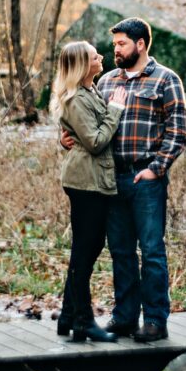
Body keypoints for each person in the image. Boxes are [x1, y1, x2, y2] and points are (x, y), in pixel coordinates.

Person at [61, 18, 186, 342]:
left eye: (121, 44)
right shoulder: (104, 82)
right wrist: (62, 138)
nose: (115, 50)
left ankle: (155, 321)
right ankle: (124, 318)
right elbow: (83, 121)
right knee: (120, 252)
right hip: (110, 180)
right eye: (114, 44)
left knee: (152, 251)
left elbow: (178, 130)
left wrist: (157, 168)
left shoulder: (165, 80)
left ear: (140, 44)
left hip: (145, 179)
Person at [51, 41, 128, 342]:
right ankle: (83, 321)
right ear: (84, 64)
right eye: (95, 56)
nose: (101, 57)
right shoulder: (75, 98)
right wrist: (116, 110)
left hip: (93, 179)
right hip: (86, 182)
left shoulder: (89, 91)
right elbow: (95, 141)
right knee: (85, 252)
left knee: (87, 249)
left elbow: (81, 134)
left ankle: (68, 316)